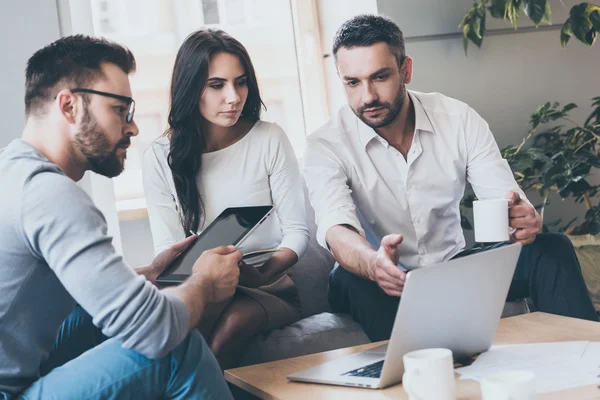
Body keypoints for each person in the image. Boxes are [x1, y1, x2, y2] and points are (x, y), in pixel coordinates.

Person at [303, 14, 598, 343]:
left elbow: (504, 197)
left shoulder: (456, 119)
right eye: (352, 83)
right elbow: (336, 228)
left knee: (550, 249)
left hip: (452, 267)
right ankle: (425, 380)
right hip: (376, 277)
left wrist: (521, 218)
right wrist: (374, 264)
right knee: (351, 277)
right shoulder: (325, 144)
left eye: (380, 77)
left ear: (406, 70)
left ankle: (587, 367)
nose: (367, 96)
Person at [0, 35, 240, 399]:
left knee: (98, 316)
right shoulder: (48, 194)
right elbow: (154, 330)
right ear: (69, 106)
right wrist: (205, 283)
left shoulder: (12, 172)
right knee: (173, 348)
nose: (133, 127)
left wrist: (150, 274)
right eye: (120, 110)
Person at [143, 29, 309, 368]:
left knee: (232, 324)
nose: (233, 97)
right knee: (196, 327)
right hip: (201, 286)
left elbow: (297, 232)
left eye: (241, 82)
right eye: (217, 85)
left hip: (267, 286)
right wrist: (207, 274)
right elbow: (168, 250)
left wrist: (264, 272)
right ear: (191, 88)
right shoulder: (160, 156)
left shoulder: (269, 139)